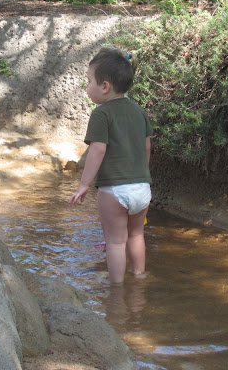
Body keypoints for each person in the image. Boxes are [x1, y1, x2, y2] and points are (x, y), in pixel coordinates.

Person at [69, 47, 153, 285]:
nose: (87, 87)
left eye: (89, 81)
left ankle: (116, 290)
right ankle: (139, 277)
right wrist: (141, 175)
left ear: (105, 86)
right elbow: (147, 147)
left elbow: (97, 150)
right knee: (136, 235)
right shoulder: (139, 111)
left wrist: (84, 184)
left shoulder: (101, 114)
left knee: (115, 242)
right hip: (142, 188)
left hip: (114, 190)